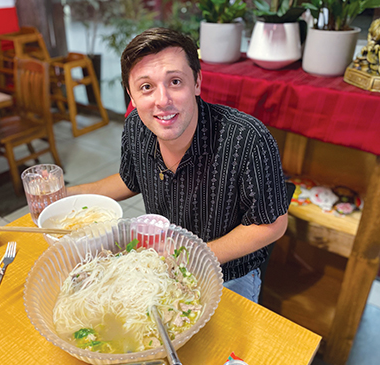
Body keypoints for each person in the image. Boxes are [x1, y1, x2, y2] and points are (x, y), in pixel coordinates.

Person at [66, 27, 289, 303]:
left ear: (196, 82)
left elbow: (273, 224)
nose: (162, 101)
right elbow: (130, 179)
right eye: (146, 87)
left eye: (175, 82)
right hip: (160, 261)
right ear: (132, 96)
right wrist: (69, 198)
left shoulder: (248, 138)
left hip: (227, 272)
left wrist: (192, 255)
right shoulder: (137, 126)